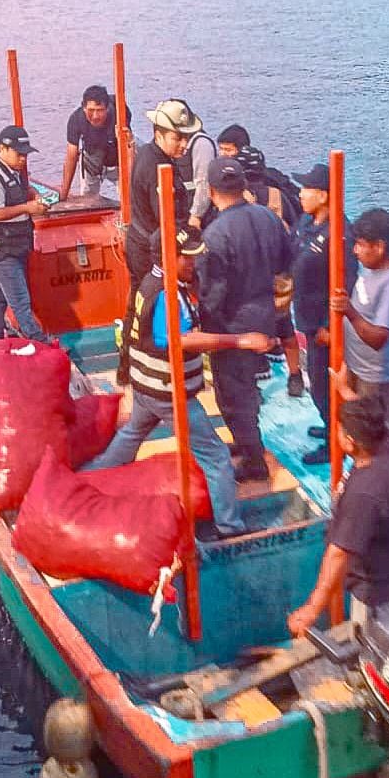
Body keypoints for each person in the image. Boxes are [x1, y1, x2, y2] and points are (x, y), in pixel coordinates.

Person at [87, 228, 274, 539]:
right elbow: (183, 340)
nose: (193, 262)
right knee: (215, 456)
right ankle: (229, 526)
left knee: (131, 434)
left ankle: (89, 477)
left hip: (146, 386)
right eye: (187, 257)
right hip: (168, 392)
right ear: (168, 258)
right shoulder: (166, 295)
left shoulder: (150, 283)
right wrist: (242, 340)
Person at [286, 390, 389, 637]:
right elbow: (377, 420)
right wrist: (345, 391)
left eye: (340, 430)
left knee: (373, 645)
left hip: (382, 592)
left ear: (350, 441)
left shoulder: (365, 493)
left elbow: (339, 553)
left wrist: (311, 609)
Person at [199, 157, 295, 482]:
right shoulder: (269, 218)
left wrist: (202, 327)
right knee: (248, 388)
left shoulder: (215, 235)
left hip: (233, 325)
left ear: (211, 192)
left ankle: (253, 460)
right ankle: (246, 442)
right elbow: (285, 265)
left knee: (232, 394)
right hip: (266, 316)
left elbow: (213, 293)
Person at [117, 99, 201, 384]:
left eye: (186, 138)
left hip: (143, 242)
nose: (183, 145)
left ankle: (127, 368)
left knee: (138, 305)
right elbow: (164, 223)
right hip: (151, 248)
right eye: (178, 138)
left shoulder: (155, 157)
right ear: (158, 133)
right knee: (149, 307)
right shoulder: (157, 167)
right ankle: (148, 369)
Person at [289, 163, 359, 464]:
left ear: (324, 195)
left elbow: (347, 282)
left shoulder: (339, 233)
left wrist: (332, 324)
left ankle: (335, 443)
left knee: (323, 383)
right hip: (305, 316)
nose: (300, 194)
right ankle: (329, 424)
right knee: (316, 382)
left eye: (306, 189)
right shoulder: (307, 222)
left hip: (324, 325)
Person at [330, 208, 389, 428]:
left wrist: (349, 311)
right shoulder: (373, 266)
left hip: (375, 379)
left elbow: (379, 339)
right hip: (355, 365)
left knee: (375, 434)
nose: (355, 251)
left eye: (361, 245)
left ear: (379, 247)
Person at [234, 145, 304, 397]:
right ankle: (295, 376)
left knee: (249, 330)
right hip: (279, 275)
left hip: (249, 279)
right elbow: (296, 231)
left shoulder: (236, 199)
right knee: (286, 327)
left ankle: (254, 373)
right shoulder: (278, 195)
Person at [0, 125, 50, 341]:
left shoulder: (12, 171)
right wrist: (28, 208)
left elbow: (21, 191)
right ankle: (40, 342)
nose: (23, 159)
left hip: (14, 246)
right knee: (20, 301)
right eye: (19, 154)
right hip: (1, 250)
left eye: (25, 155)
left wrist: (33, 194)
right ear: (2, 149)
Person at [59, 84, 133, 200]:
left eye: (100, 111)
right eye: (91, 110)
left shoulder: (119, 114)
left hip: (118, 158)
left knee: (131, 197)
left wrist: (130, 190)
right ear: (83, 107)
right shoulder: (76, 119)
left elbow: (129, 149)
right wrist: (63, 194)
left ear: (107, 108)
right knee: (88, 200)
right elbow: (71, 156)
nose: (95, 116)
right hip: (93, 162)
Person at [172, 101, 216, 231]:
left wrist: (196, 215)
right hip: (182, 211)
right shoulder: (175, 144)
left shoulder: (201, 143)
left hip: (198, 217)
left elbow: (203, 183)